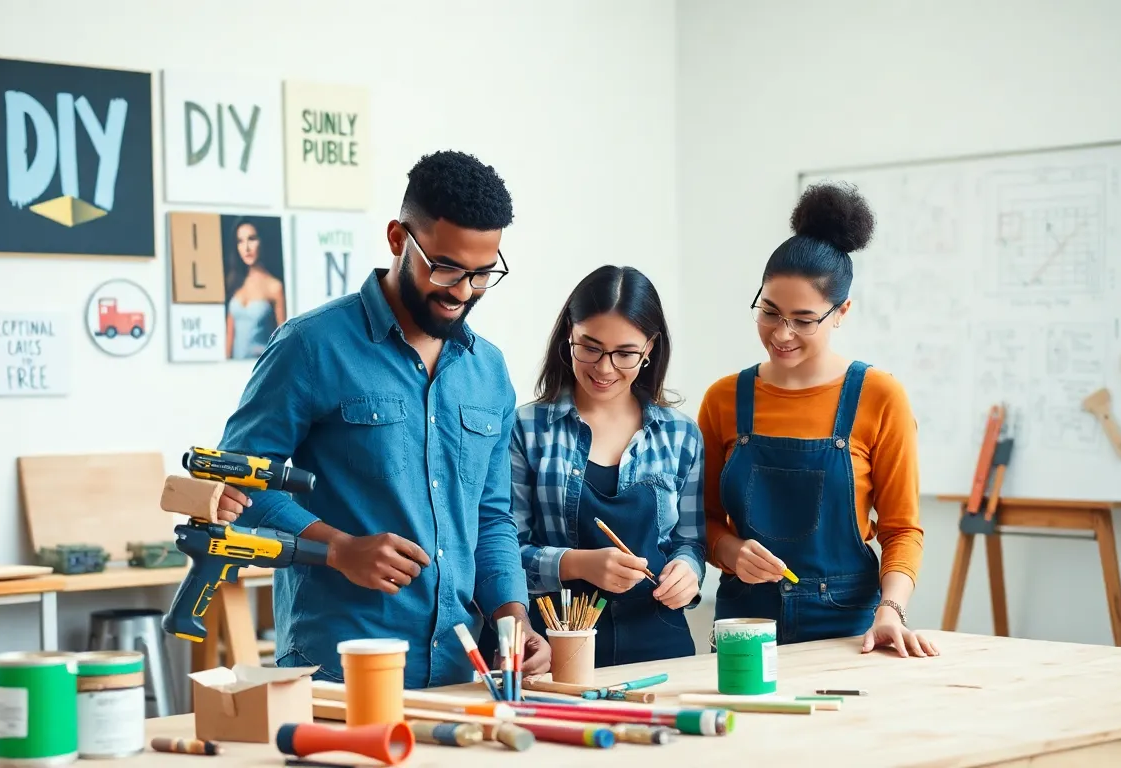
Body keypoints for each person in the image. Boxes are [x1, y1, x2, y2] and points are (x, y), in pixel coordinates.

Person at [212, 150, 550, 688]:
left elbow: (490, 518)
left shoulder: (489, 370)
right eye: (446, 268)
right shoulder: (311, 346)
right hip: (338, 668)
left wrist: (514, 616)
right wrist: (339, 548)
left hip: (459, 672)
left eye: (483, 274)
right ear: (398, 239)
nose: (462, 292)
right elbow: (238, 483)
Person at [699, 182, 938, 658]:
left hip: (850, 629)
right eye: (769, 311)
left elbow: (902, 529)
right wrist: (730, 553)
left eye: (803, 319)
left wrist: (891, 609)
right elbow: (699, 521)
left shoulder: (879, 396)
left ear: (841, 312)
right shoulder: (724, 398)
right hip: (747, 623)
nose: (781, 333)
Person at [511, 265, 705, 667]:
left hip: (659, 642)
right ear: (569, 333)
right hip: (556, 644)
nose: (603, 368)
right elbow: (502, 551)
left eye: (625, 353)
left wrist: (688, 571)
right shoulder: (526, 429)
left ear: (650, 348)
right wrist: (579, 564)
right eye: (590, 347)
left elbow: (690, 541)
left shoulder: (681, 435)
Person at [225, 218, 287, 359]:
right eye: (240, 241)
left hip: (261, 368)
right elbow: (229, 337)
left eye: (251, 239)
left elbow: (283, 341)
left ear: (261, 241)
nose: (246, 248)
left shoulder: (274, 287)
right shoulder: (234, 283)